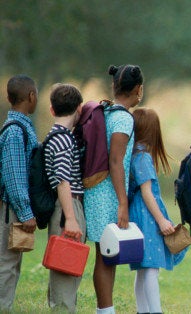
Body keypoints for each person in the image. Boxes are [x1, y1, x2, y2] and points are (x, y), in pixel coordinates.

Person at [84, 64, 143, 314]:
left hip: (96, 190)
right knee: (107, 255)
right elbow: (116, 160)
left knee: (105, 253)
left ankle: (105, 309)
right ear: (138, 90)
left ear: (114, 86)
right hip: (107, 194)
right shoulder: (123, 118)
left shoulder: (107, 111)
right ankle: (105, 310)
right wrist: (122, 202)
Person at [128, 107, 187, 314]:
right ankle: (155, 311)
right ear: (153, 131)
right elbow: (147, 193)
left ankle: (142, 310)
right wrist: (162, 220)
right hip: (147, 216)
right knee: (151, 267)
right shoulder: (143, 157)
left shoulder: (133, 154)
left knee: (143, 268)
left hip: (139, 213)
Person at [44, 83, 86, 313]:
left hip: (68, 205)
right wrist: (70, 218)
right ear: (79, 109)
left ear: (52, 109)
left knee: (68, 270)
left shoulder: (62, 137)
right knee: (65, 270)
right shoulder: (62, 140)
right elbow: (62, 180)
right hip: (67, 207)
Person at [0, 75, 38, 311]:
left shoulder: (19, 126)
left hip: (14, 207)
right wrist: (25, 212)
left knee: (12, 263)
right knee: (6, 264)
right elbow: (14, 176)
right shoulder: (15, 132)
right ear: (31, 96)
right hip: (12, 208)